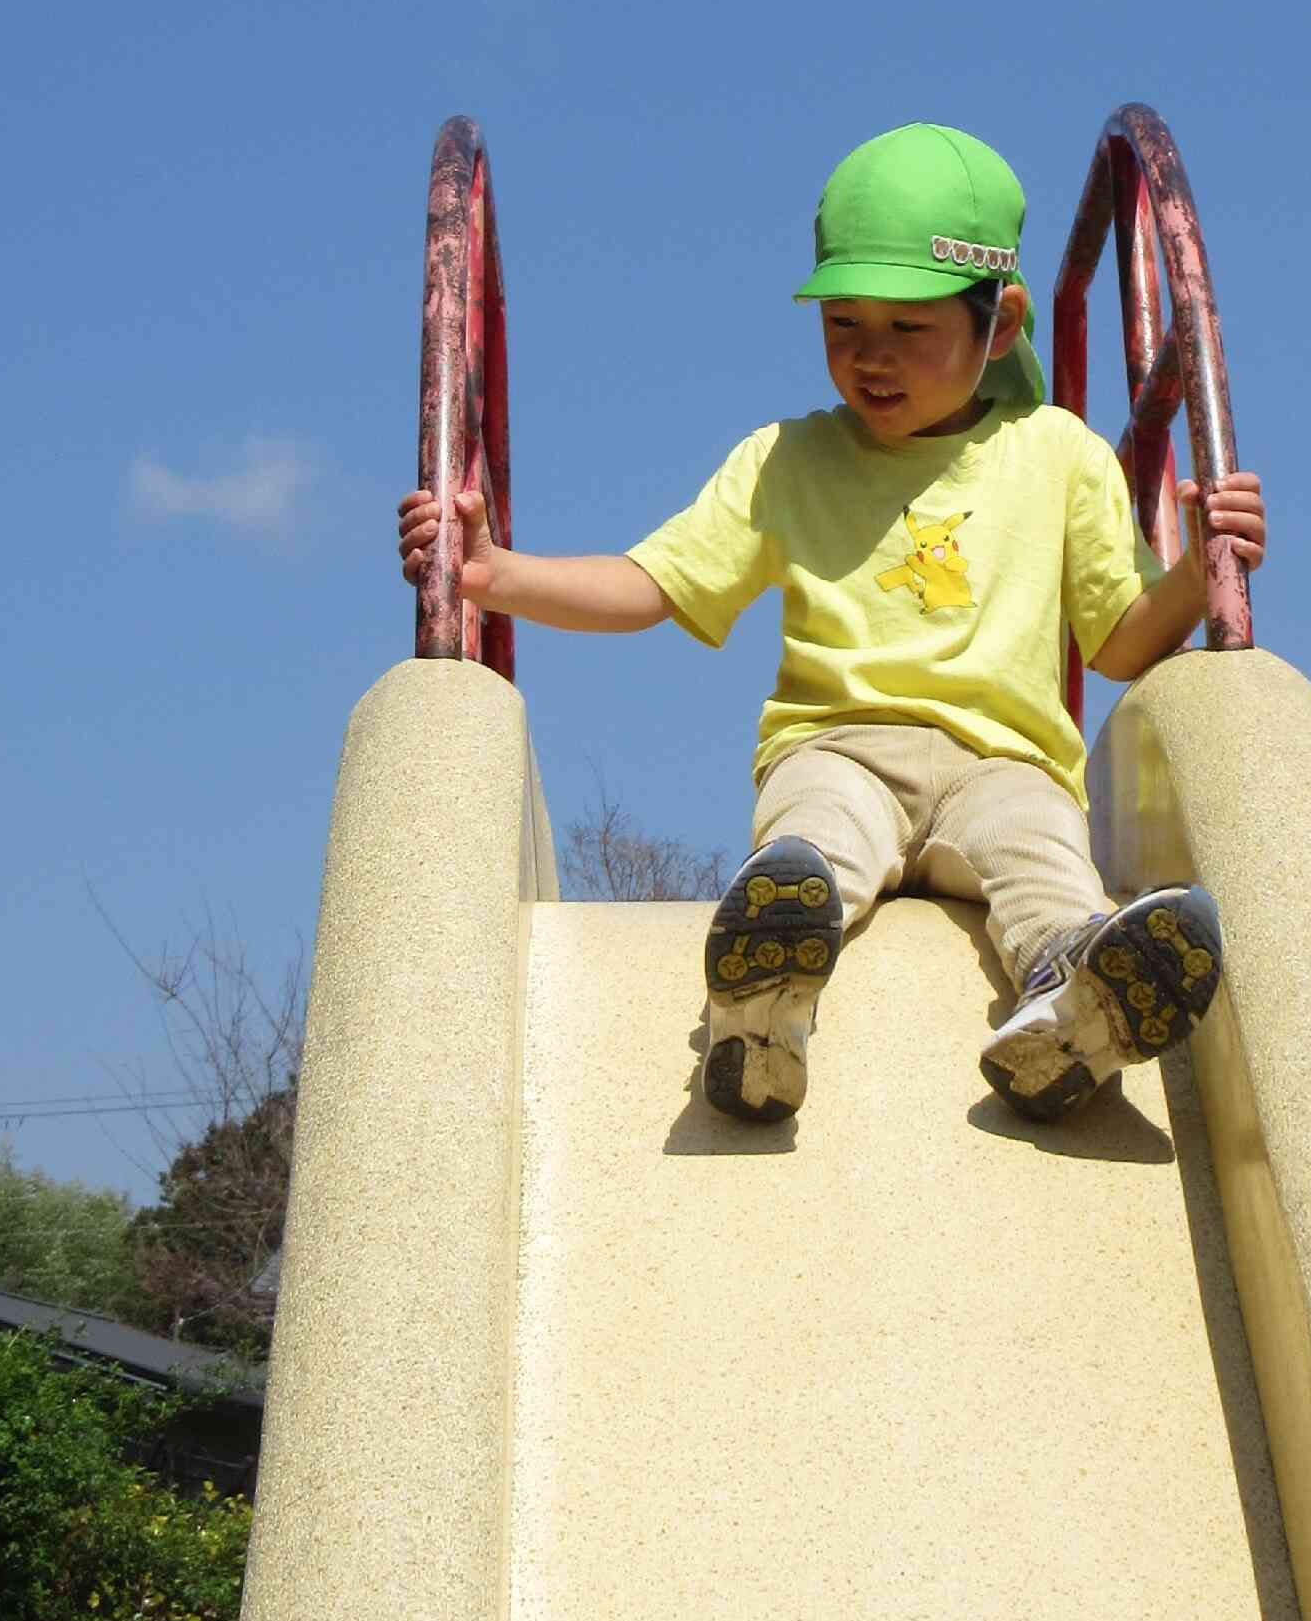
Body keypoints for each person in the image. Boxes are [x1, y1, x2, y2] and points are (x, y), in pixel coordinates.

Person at [397, 123, 1266, 1126]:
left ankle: (1074, 1009)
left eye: (908, 328)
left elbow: (1116, 640)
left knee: (1042, 858)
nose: (869, 357)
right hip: (836, 744)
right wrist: (492, 571)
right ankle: (762, 1009)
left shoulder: (1057, 454)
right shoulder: (788, 459)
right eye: (843, 324)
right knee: (812, 847)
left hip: (1004, 761)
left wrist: (1203, 569)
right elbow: (649, 582)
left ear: (1002, 319)